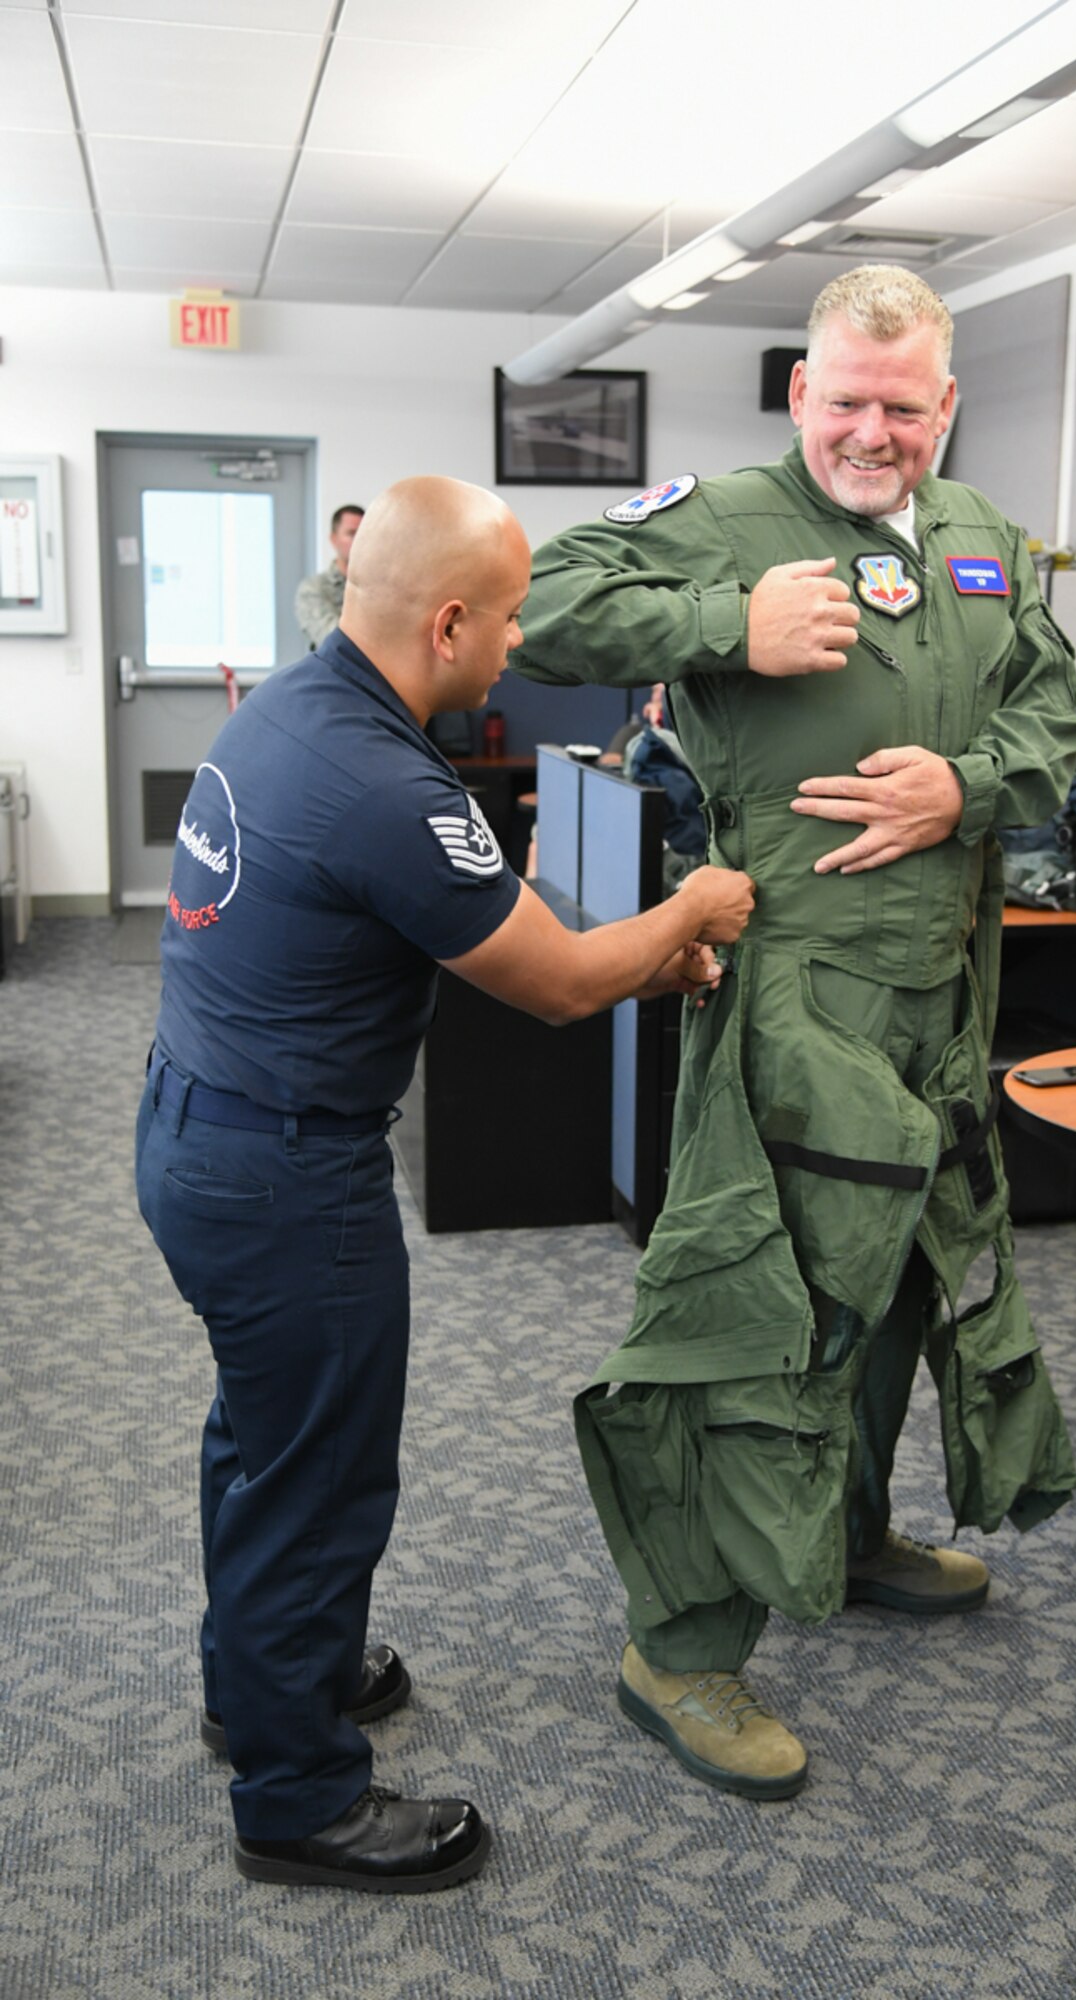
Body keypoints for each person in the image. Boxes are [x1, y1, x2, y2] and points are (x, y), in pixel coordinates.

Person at [510, 266, 1076, 1800]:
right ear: (800, 396)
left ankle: (845, 1530)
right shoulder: (735, 519)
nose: (873, 432)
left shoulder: (982, 541)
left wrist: (962, 788)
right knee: (763, 1308)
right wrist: (725, 620)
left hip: (942, 997)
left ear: (945, 405)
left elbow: (1056, 719)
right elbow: (548, 599)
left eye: (903, 406)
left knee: (907, 1276)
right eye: (845, 400)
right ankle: (682, 1649)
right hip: (794, 1000)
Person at [135, 475, 754, 1891]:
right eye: (518, 613)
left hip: (197, 1133)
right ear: (455, 622)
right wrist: (693, 913)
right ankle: (299, 1800)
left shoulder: (296, 708)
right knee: (323, 1476)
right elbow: (556, 988)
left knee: (264, 1442)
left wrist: (532, 903)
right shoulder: (389, 784)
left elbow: (429, 908)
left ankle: (266, 1688)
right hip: (290, 1179)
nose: (523, 636)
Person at [295, 503, 363, 648]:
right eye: (351, 534)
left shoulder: (379, 589)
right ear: (334, 539)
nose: (359, 541)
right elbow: (333, 640)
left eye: (363, 534)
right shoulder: (313, 589)